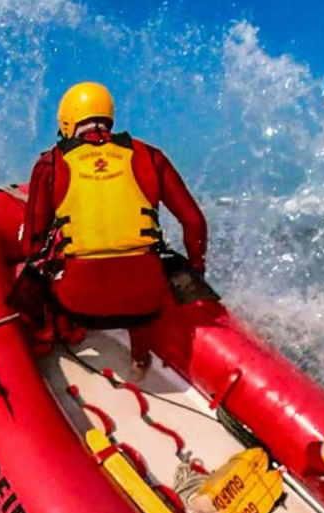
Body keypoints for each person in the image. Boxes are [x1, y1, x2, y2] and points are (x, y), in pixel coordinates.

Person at [23, 81, 208, 378]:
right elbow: (194, 221)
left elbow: (32, 241)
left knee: (40, 268)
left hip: (77, 301)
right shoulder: (150, 155)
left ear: (67, 121)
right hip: (145, 302)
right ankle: (139, 358)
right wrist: (196, 267)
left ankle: (53, 337)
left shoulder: (50, 163)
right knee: (142, 267)